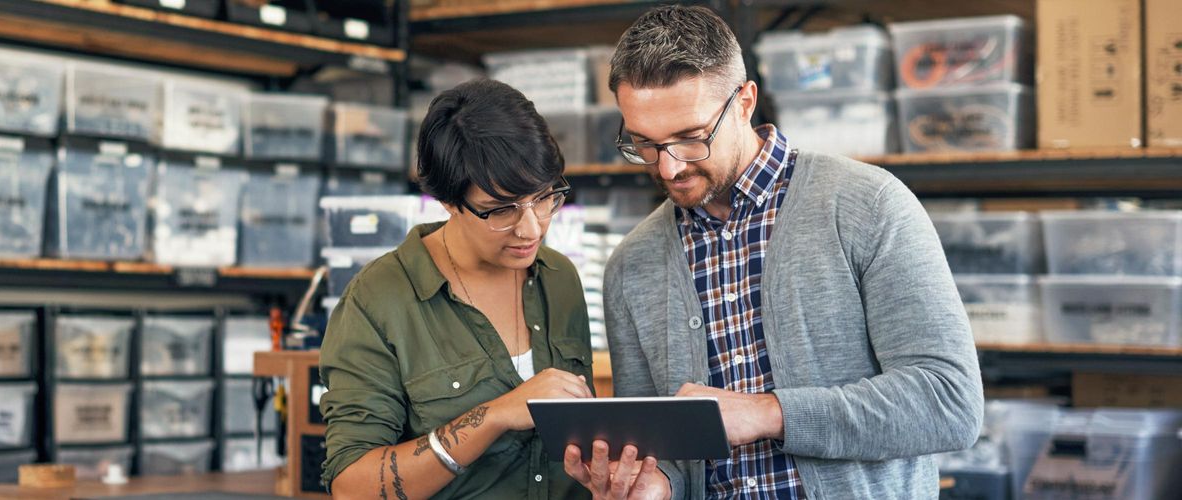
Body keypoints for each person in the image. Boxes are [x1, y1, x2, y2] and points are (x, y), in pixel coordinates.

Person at [564, 5, 985, 499]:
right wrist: (654, 485)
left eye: (690, 138)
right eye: (644, 144)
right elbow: (664, 452)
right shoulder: (630, 267)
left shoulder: (866, 205)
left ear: (745, 102)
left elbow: (949, 402)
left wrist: (768, 412)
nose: (669, 168)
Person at [318, 78, 601, 499]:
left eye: (544, 198)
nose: (531, 228)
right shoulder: (379, 299)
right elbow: (351, 486)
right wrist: (493, 417)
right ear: (448, 201)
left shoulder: (559, 277)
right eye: (500, 210)